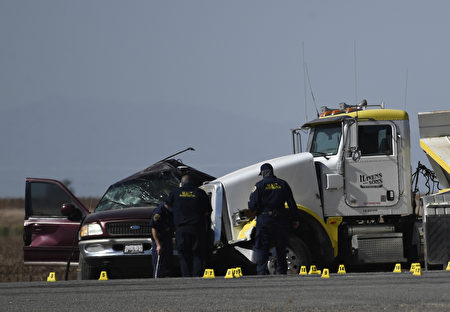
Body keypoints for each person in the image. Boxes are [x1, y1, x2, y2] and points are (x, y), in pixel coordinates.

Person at [248, 163, 299, 275]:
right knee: (281, 246)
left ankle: (261, 272)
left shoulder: (259, 186)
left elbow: (252, 206)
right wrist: (295, 219)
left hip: (264, 220)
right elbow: (291, 203)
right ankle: (282, 272)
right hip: (280, 220)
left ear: (263, 173)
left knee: (263, 247)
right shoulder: (283, 184)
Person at [165, 175, 212, 277]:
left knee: (183, 255)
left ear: (181, 183)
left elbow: (166, 205)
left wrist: (175, 212)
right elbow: (207, 211)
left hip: (181, 229)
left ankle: (186, 277)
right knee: (198, 254)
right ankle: (197, 276)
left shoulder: (175, 192)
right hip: (197, 228)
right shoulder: (200, 193)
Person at [150, 202, 174, 278]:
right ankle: (157, 280)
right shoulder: (158, 213)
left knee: (168, 262)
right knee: (158, 264)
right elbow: (154, 229)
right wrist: (158, 245)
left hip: (167, 238)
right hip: (160, 239)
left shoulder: (170, 210)